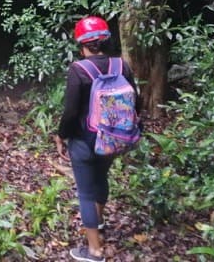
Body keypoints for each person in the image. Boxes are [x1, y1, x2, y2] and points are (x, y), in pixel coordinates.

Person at [55, 15, 140, 262]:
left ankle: (94, 251)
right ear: (106, 41)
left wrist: (61, 136)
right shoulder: (121, 65)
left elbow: (71, 112)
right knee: (101, 179)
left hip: (85, 141)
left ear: (81, 44)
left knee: (85, 192)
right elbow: (137, 101)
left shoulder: (79, 69)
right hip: (114, 138)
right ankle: (99, 222)